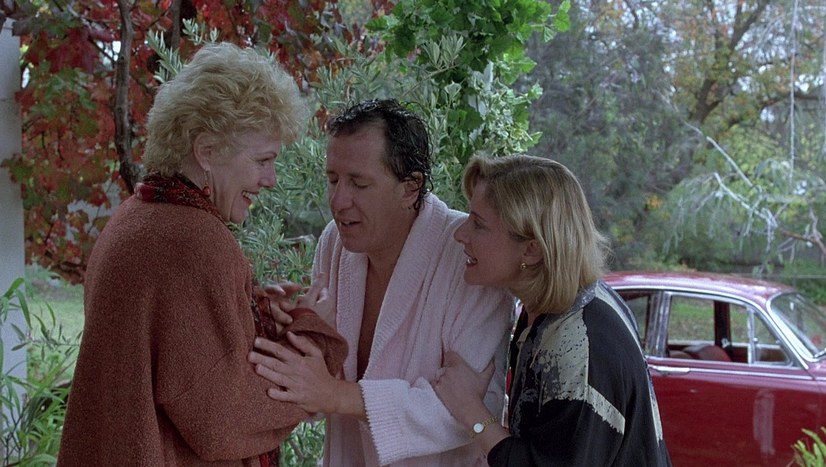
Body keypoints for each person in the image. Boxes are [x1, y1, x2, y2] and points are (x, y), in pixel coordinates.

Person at [57, 42, 348, 466]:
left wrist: (251, 310)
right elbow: (223, 420)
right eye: (262, 160)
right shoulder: (193, 243)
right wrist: (310, 335)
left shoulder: (137, 217)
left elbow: (182, 364)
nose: (270, 179)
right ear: (206, 151)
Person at [247, 99, 514, 466]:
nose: (338, 201)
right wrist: (292, 330)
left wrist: (338, 395)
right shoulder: (335, 243)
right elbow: (317, 383)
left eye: (359, 183)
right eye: (333, 180)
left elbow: (468, 409)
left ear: (410, 188)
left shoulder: (467, 256)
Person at [432, 155, 672, 466]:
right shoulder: (566, 306)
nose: (460, 234)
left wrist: (471, 411)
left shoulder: (577, 345)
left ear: (531, 250)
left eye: (478, 224)